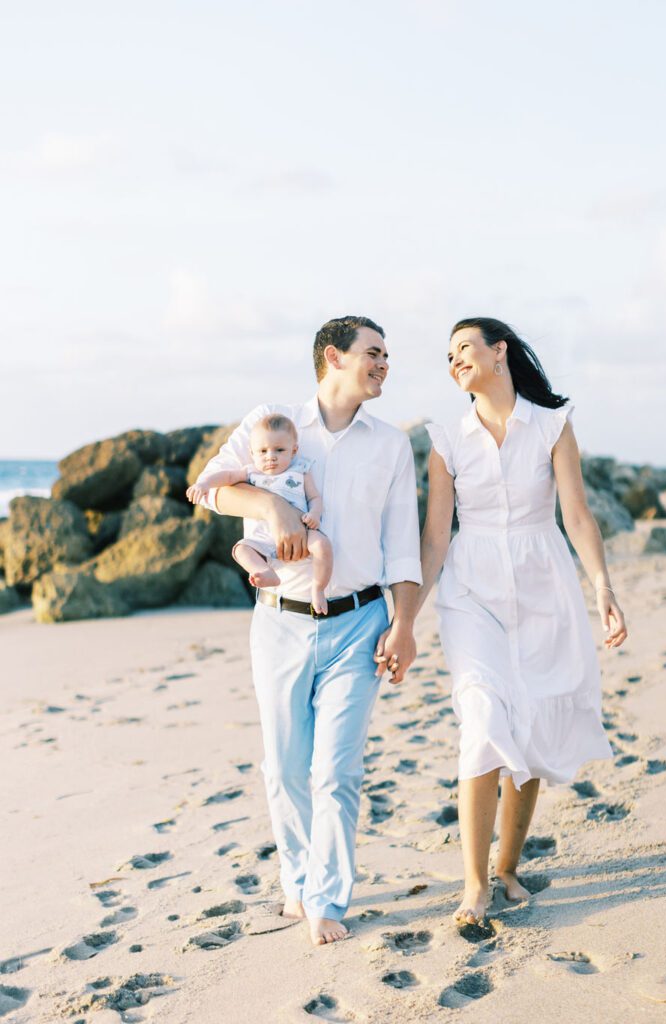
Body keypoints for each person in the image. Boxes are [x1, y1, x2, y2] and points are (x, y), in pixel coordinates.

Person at [189, 316, 421, 946]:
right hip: (280, 625)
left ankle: (327, 900)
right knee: (286, 768)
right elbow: (206, 493)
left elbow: (403, 549)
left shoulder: (391, 446)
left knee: (336, 772)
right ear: (333, 357)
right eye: (373, 353)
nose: (383, 365)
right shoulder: (274, 424)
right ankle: (297, 882)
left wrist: (404, 625)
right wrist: (269, 504)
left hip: (360, 623)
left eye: (386, 355)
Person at [417, 317, 627, 925]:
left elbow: (578, 516)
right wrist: (405, 617)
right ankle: (475, 885)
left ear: (499, 351)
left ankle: (509, 866)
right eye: (448, 355)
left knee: (530, 726)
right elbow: (435, 536)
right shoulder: (446, 439)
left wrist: (603, 588)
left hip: (543, 584)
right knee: (483, 718)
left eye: (464, 348)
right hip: (471, 589)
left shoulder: (553, 426)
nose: (455, 360)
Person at [187, 413, 333, 613]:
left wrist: (314, 514)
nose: (270, 456)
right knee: (241, 550)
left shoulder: (300, 471)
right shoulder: (251, 473)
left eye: (279, 450)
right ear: (252, 453)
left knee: (323, 546)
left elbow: (315, 498)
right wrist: (204, 483)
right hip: (261, 537)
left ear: (294, 450)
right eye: (263, 451)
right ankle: (263, 570)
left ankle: (317, 588)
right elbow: (227, 476)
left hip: (301, 529)